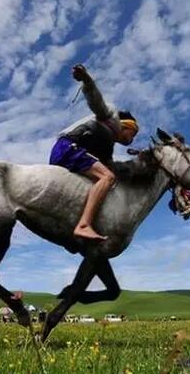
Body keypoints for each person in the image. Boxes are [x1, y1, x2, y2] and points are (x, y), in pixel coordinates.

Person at [49, 64, 139, 241]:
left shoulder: (106, 145)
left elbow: (111, 165)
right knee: (107, 178)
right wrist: (87, 80)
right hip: (68, 148)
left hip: (66, 152)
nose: (132, 139)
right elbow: (96, 101)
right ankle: (83, 225)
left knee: (103, 181)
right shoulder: (110, 116)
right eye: (133, 133)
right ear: (127, 126)